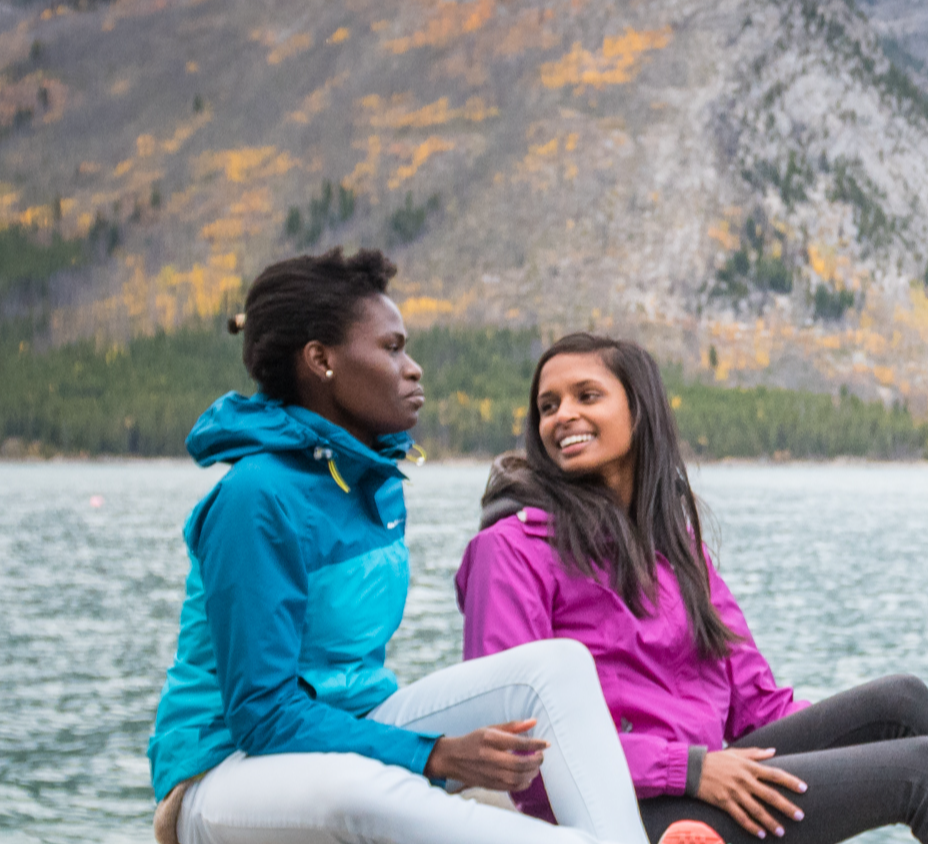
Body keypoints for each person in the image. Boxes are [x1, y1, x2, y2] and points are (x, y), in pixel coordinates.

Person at [147, 248, 651, 844]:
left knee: (558, 665)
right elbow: (262, 715)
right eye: (391, 348)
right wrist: (433, 755)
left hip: (348, 725)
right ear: (321, 361)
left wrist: (421, 749)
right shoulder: (257, 497)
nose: (412, 369)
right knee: (360, 796)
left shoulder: (370, 484)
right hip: (224, 771)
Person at [457, 332, 928, 844]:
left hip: (708, 780)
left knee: (906, 704)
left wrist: (906, 737)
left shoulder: (674, 548)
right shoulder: (510, 550)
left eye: (587, 395)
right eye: (548, 406)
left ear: (638, 411)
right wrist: (690, 769)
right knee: (921, 771)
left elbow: (758, 708)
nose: (563, 416)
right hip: (615, 810)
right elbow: (515, 752)